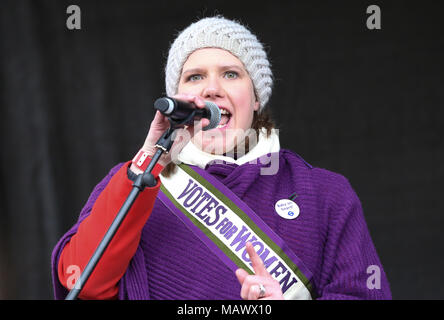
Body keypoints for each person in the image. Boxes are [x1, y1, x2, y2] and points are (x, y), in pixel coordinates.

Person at [51, 16, 392, 300]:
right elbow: (82, 280)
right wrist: (149, 160)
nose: (211, 89)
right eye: (194, 76)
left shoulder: (325, 193)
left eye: (230, 73)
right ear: (177, 97)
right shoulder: (135, 181)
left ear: (256, 98)